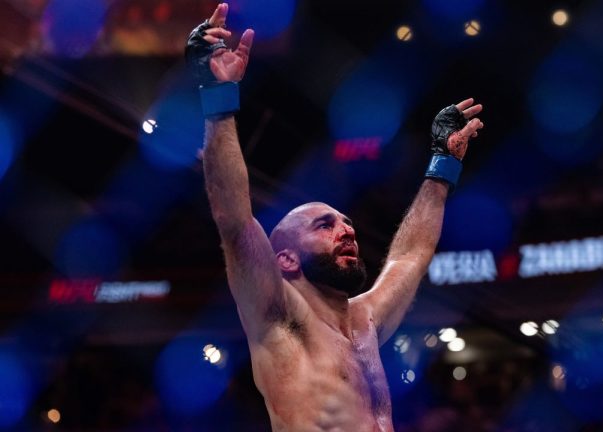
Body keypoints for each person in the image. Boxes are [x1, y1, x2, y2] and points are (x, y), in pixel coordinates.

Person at [186, 3, 484, 430]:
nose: (345, 230)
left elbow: (411, 255)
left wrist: (442, 166)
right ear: (284, 259)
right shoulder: (277, 314)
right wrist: (217, 99)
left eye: (346, 223)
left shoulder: (365, 321)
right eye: (324, 225)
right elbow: (233, 220)